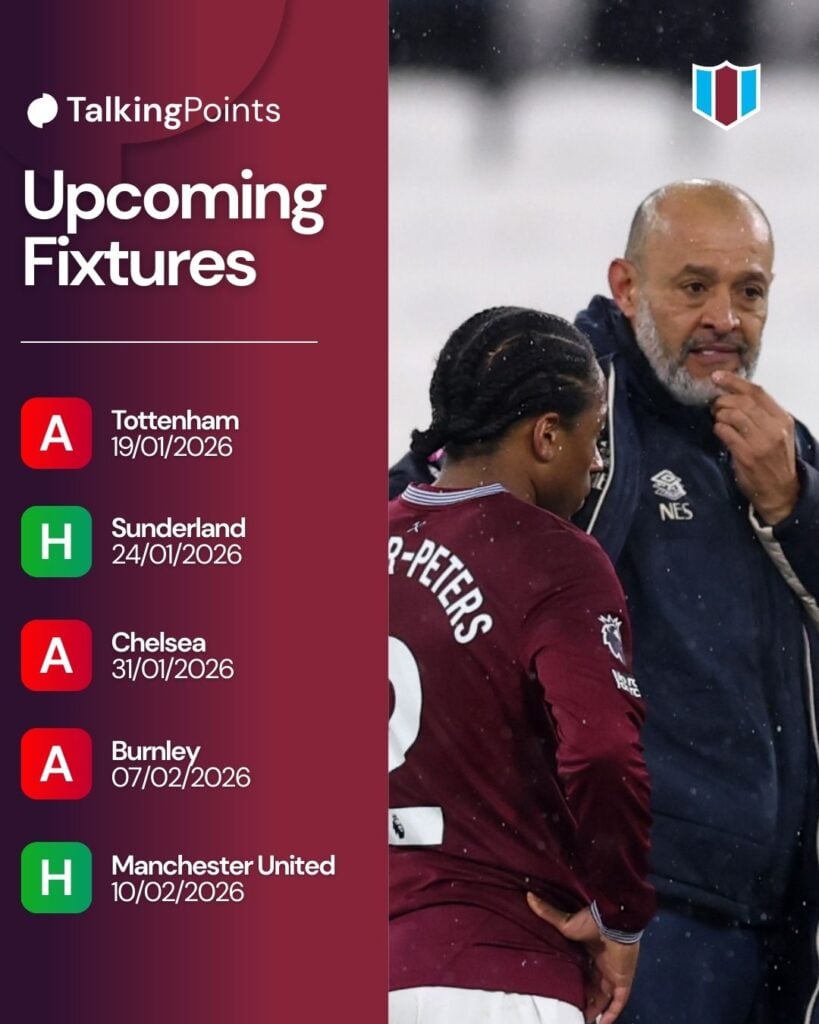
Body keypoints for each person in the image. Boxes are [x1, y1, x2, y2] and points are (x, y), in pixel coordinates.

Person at [390, 180, 819, 1023]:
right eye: (692, 286)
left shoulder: (779, 444)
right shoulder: (562, 407)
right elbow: (412, 518)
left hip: (770, 918)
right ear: (625, 287)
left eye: (749, 291)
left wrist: (796, 506)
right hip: (637, 914)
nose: (724, 319)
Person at [389, 306, 656, 1024]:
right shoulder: (555, 559)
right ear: (546, 435)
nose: (596, 464)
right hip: (499, 970)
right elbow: (602, 753)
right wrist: (620, 914)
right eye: (594, 438)